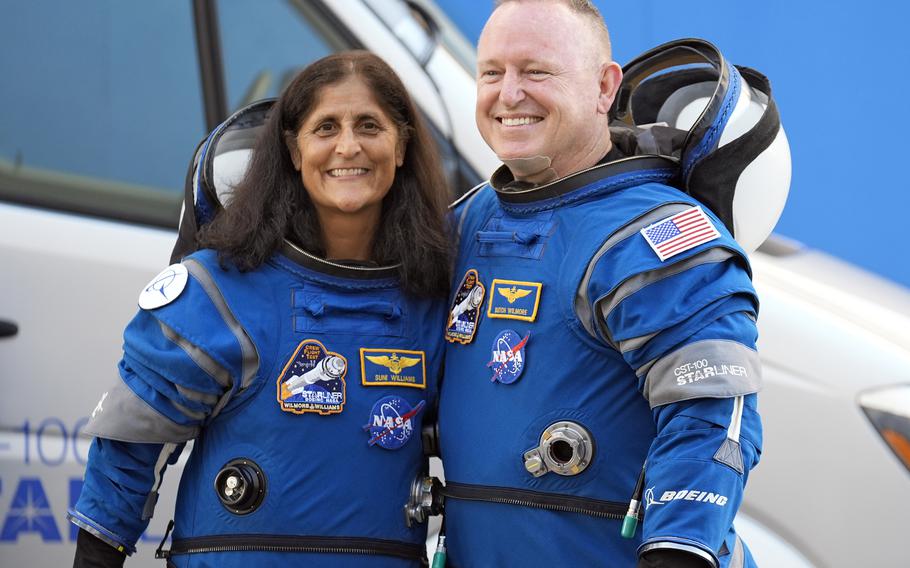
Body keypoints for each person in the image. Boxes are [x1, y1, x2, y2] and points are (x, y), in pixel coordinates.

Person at [68, 50, 452, 567]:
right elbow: (131, 450)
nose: (348, 146)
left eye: (369, 126)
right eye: (326, 128)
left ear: (401, 145)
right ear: (294, 150)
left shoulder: (432, 298)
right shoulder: (220, 291)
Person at [436, 1, 764, 567]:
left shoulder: (656, 233)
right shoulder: (469, 220)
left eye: (536, 71)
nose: (509, 93)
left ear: (604, 87)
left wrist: (678, 552)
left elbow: (714, 414)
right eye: (492, 72)